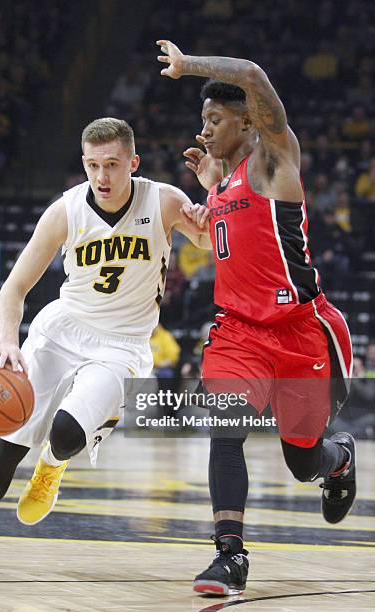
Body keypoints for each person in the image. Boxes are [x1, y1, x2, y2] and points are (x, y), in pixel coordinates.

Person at [0, 117, 211, 567]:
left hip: (122, 344)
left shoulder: (162, 200)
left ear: (133, 162)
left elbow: (208, 240)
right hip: (60, 331)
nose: (102, 177)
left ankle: (53, 466)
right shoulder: (65, 210)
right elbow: (14, 288)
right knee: (11, 437)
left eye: (112, 164)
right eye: (92, 165)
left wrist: (209, 210)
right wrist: (8, 340)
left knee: (64, 434)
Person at [157, 40, 354, 596]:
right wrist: (211, 188)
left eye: (215, 119)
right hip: (238, 332)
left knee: (302, 461)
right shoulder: (224, 182)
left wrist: (188, 65)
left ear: (249, 122)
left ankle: (337, 460)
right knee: (226, 430)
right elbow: (231, 232)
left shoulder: (274, 160)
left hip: (299, 332)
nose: (205, 130)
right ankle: (229, 556)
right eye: (202, 120)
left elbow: (250, 73)